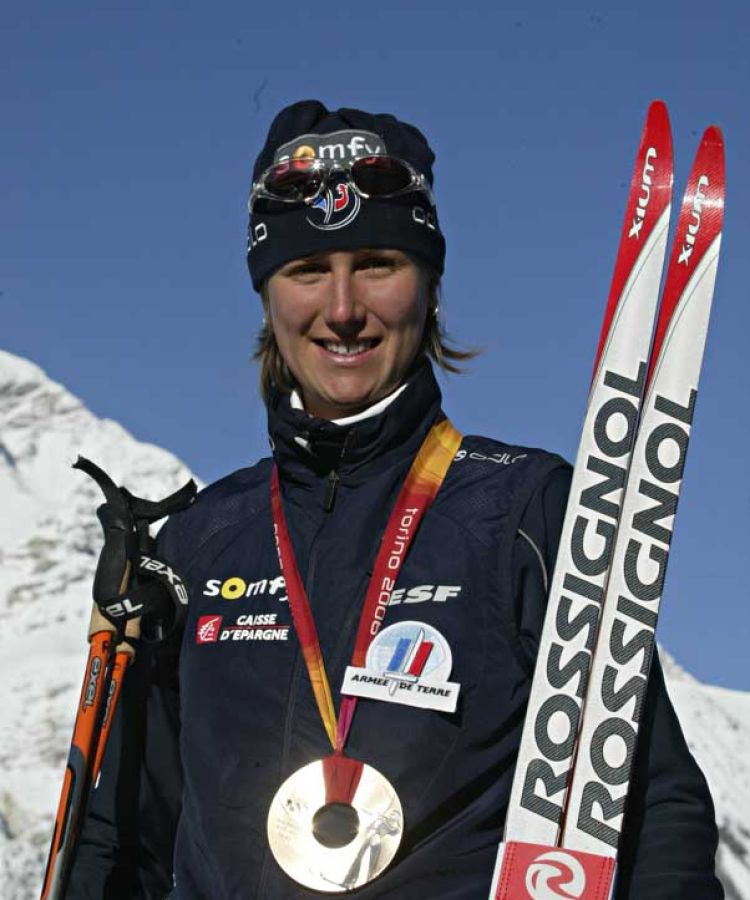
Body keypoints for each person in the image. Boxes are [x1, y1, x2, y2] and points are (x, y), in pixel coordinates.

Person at [67, 100, 723, 899]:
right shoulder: (200, 546)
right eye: (308, 272)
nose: (343, 310)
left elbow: (654, 808)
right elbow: (123, 842)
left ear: (429, 283)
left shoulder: (524, 514)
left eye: (377, 263)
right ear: (268, 298)